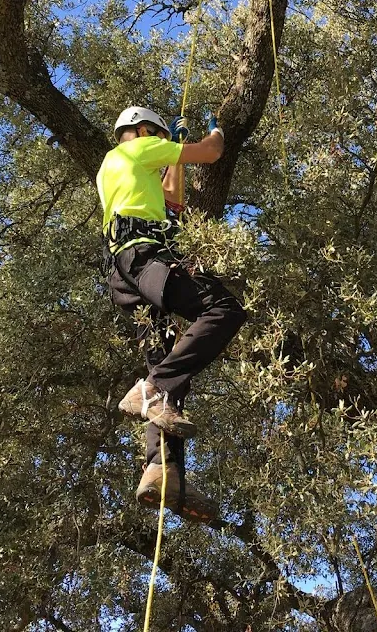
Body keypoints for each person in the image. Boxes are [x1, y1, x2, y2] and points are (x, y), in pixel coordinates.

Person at [97, 106, 247, 523]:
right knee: (225, 308)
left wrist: (176, 155)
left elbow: (173, 201)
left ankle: (162, 469)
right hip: (145, 256)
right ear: (144, 132)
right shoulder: (137, 148)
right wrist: (214, 131)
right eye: (159, 139)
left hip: (123, 272)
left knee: (165, 363)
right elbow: (212, 153)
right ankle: (152, 388)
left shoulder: (120, 167)